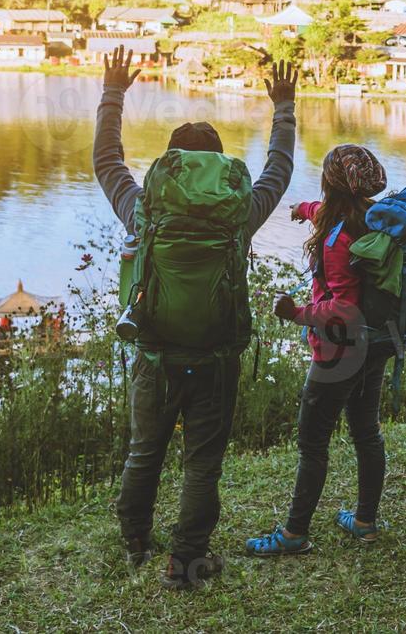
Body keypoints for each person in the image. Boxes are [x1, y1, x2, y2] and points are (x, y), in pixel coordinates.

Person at [94, 46, 298, 589]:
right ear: (218, 169)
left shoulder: (146, 209)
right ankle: (186, 562)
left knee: (146, 448)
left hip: (155, 351)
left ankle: (136, 536)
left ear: (170, 165)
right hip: (215, 357)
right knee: (202, 462)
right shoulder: (238, 215)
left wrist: (114, 92)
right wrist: (284, 105)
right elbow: (279, 169)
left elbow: (107, 162)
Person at [247, 144, 391, 556]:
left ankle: (294, 534)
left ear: (330, 183)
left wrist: (297, 313)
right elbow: (327, 215)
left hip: (338, 353)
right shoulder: (370, 219)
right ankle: (365, 521)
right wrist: (303, 208)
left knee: (313, 442)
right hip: (374, 346)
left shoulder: (337, 238)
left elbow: (344, 308)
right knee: (366, 432)